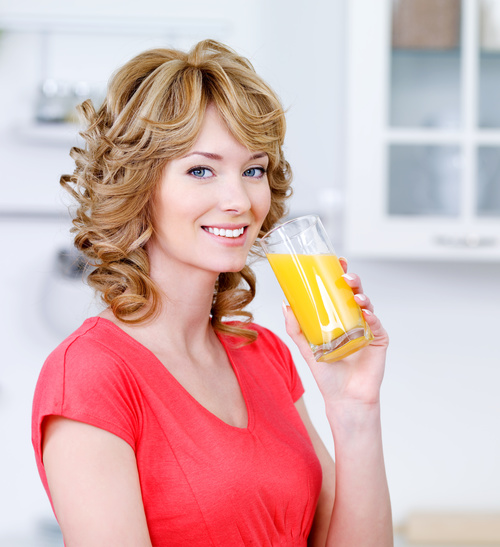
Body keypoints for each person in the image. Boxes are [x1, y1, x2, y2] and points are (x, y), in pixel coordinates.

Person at [32, 39, 393, 546]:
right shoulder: (91, 376)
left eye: (254, 170)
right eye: (201, 170)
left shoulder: (262, 352)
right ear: (140, 187)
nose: (239, 200)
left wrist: (356, 409)